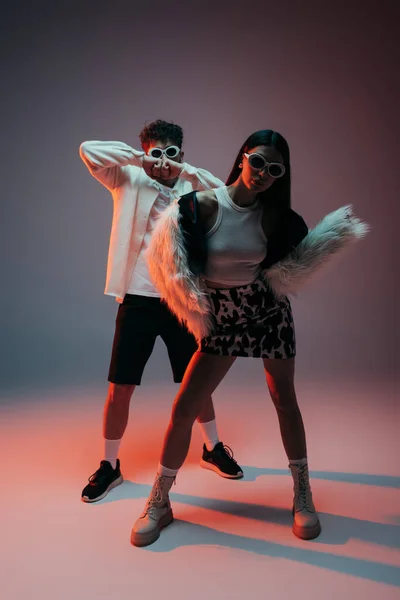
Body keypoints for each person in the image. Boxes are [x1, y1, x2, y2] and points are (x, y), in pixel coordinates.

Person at [130, 129, 368, 546]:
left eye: (274, 169)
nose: (262, 173)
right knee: (184, 407)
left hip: (267, 315)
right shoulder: (201, 206)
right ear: (243, 157)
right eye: (257, 161)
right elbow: (174, 261)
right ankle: (160, 500)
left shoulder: (277, 218)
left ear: (281, 176)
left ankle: (302, 495)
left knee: (284, 401)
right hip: (222, 321)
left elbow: (302, 257)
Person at [79, 120, 244, 504]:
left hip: (180, 298)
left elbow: (227, 195)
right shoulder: (126, 177)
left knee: (196, 381)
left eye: (171, 153)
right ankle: (109, 466)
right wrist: (142, 158)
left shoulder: (190, 187)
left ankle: (212, 448)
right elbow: (88, 149)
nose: (163, 162)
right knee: (121, 386)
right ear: (145, 151)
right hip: (137, 297)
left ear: (182, 155)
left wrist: (182, 170)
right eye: (156, 152)